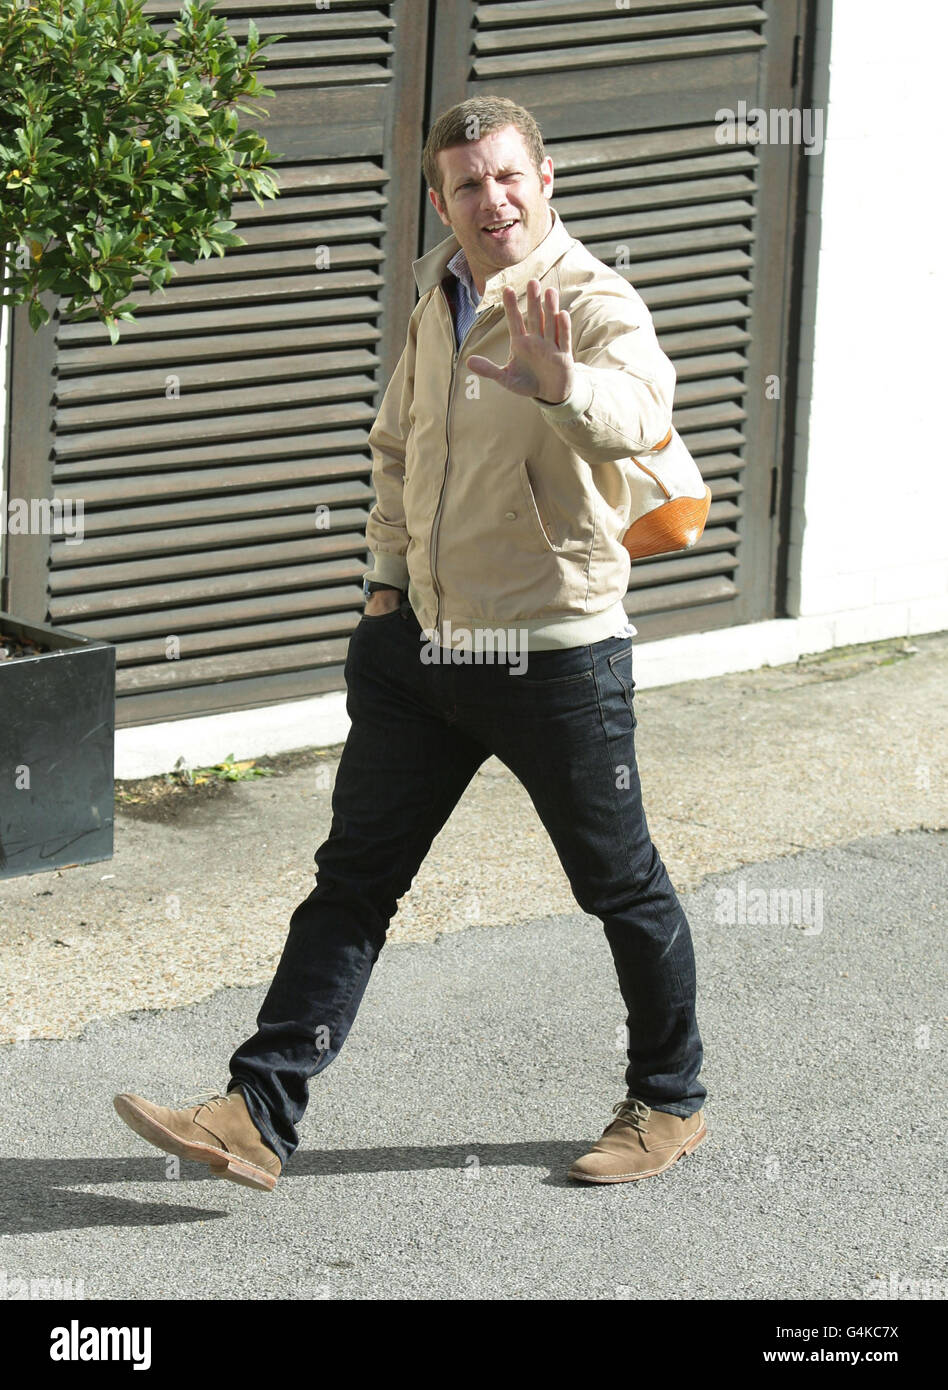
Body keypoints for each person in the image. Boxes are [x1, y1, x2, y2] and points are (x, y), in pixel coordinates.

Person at [114, 95, 709, 1192]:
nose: (492, 199)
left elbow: (644, 406)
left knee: (619, 886)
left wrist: (561, 381)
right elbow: (398, 446)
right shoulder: (437, 295)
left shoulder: (587, 297)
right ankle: (257, 1110)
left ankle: (669, 1099)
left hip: (555, 654)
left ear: (545, 180)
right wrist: (385, 591)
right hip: (423, 651)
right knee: (351, 883)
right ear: (441, 199)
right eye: (468, 184)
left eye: (508, 176)